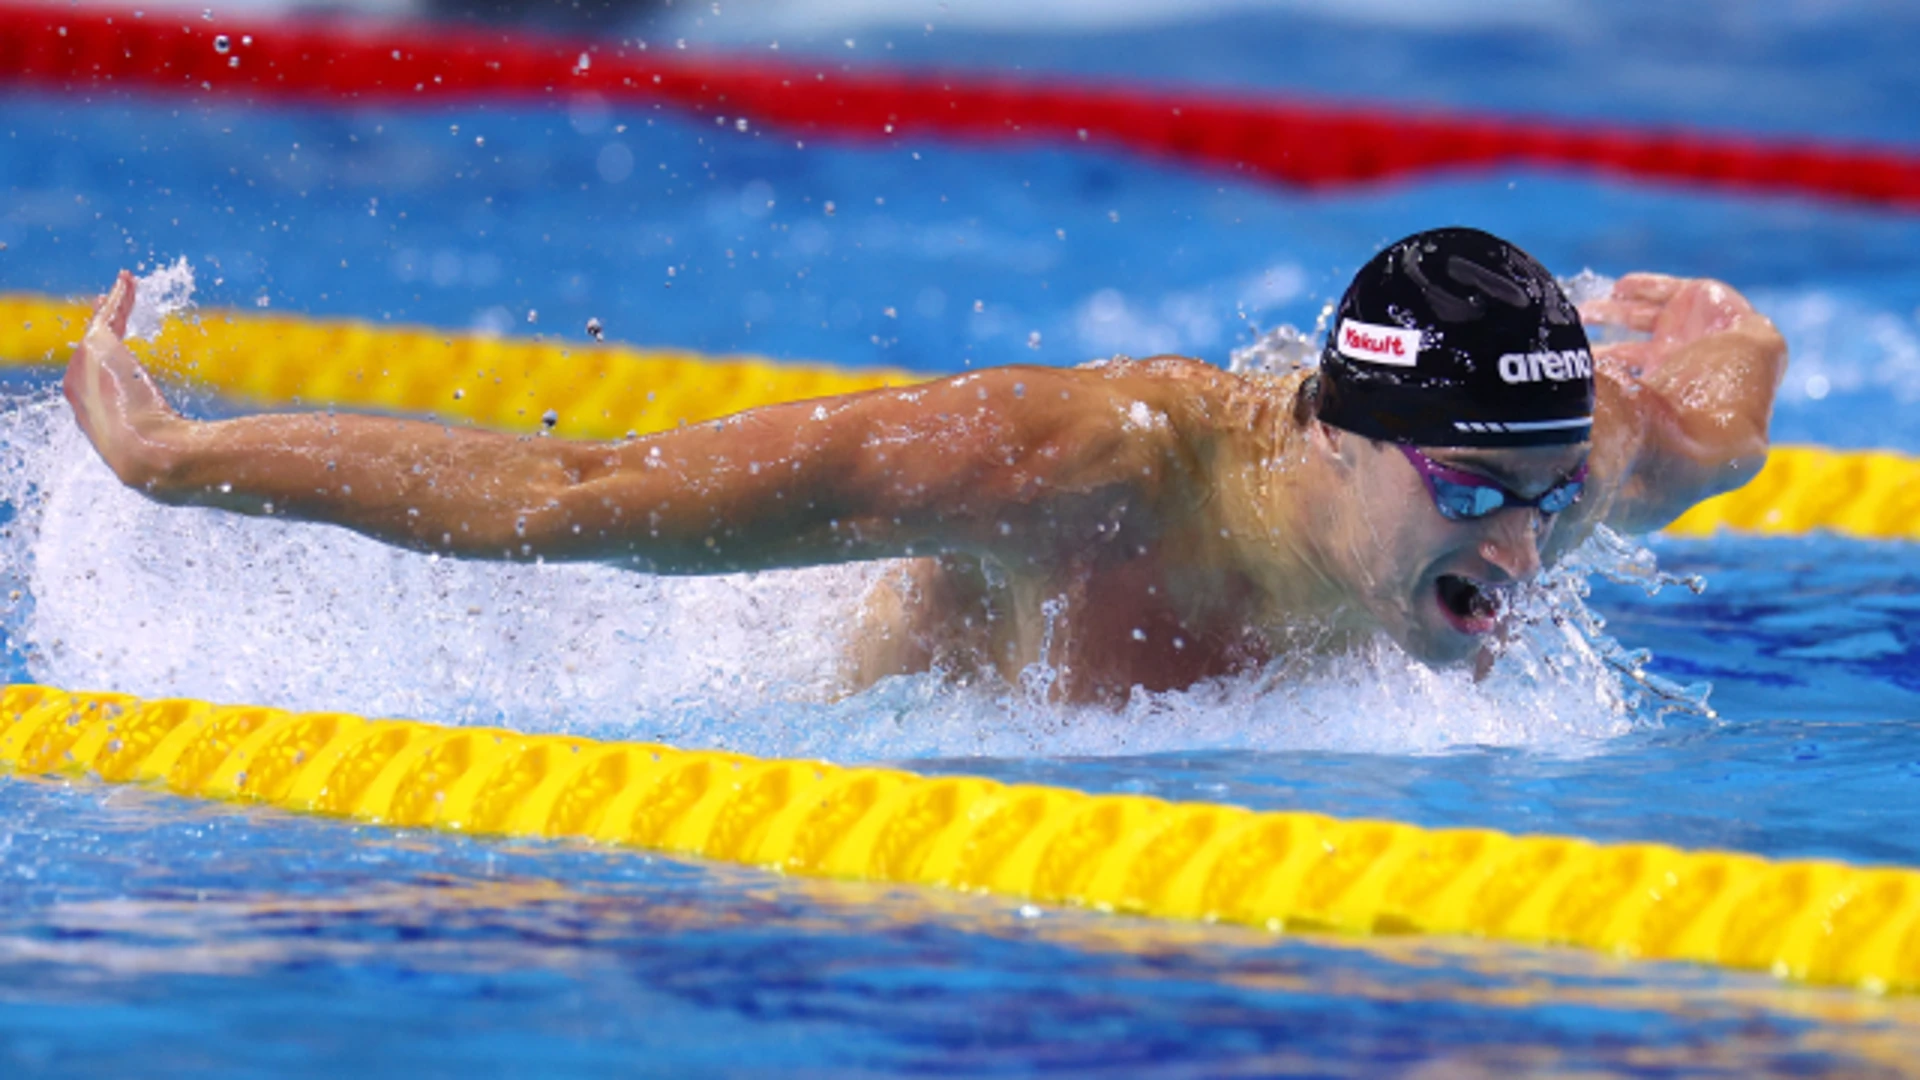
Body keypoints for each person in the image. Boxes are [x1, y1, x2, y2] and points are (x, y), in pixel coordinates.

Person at [64, 228, 1787, 703]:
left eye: (1554, 498)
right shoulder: (1067, 465)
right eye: (1479, 492)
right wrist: (172, 453)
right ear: (1330, 433)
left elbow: (1725, 390)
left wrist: (1717, 319)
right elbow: (574, 498)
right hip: (822, 698)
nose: (1530, 551)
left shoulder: (1574, 453)